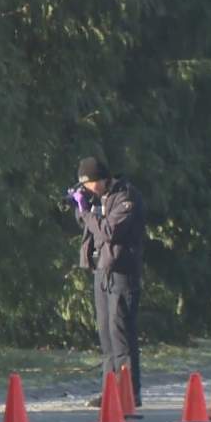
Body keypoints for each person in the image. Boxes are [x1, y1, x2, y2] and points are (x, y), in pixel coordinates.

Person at [70, 157, 146, 406]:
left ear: (103, 179)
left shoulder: (126, 197)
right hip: (101, 271)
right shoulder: (97, 200)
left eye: (91, 183)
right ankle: (110, 391)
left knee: (120, 332)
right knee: (105, 334)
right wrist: (82, 208)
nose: (89, 189)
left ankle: (128, 392)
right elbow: (89, 227)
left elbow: (109, 232)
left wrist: (86, 212)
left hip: (122, 272)